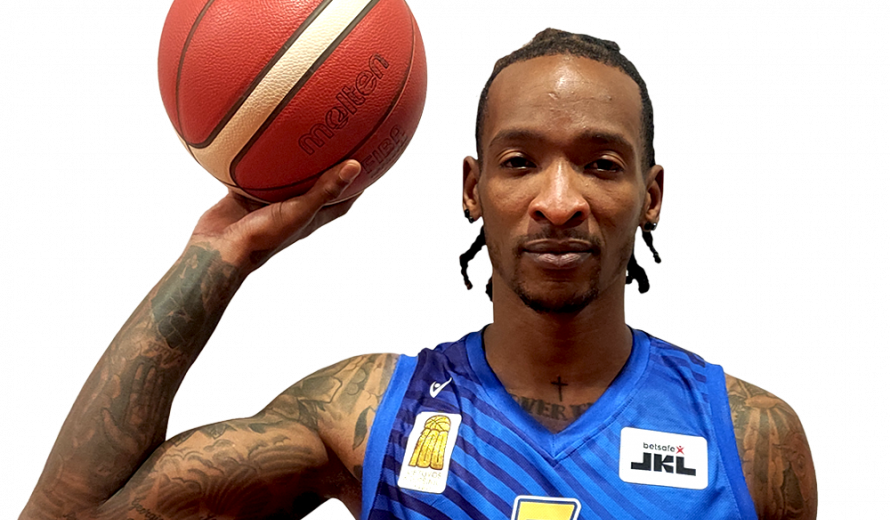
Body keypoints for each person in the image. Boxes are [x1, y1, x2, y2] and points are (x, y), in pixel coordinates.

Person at [21, 27, 817, 520]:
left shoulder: (751, 438)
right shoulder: (368, 414)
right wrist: (221, 256)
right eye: (519, 162)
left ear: (652, 197)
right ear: (473, 189)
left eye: (601, 165)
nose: (559, 202)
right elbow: (70, 516)